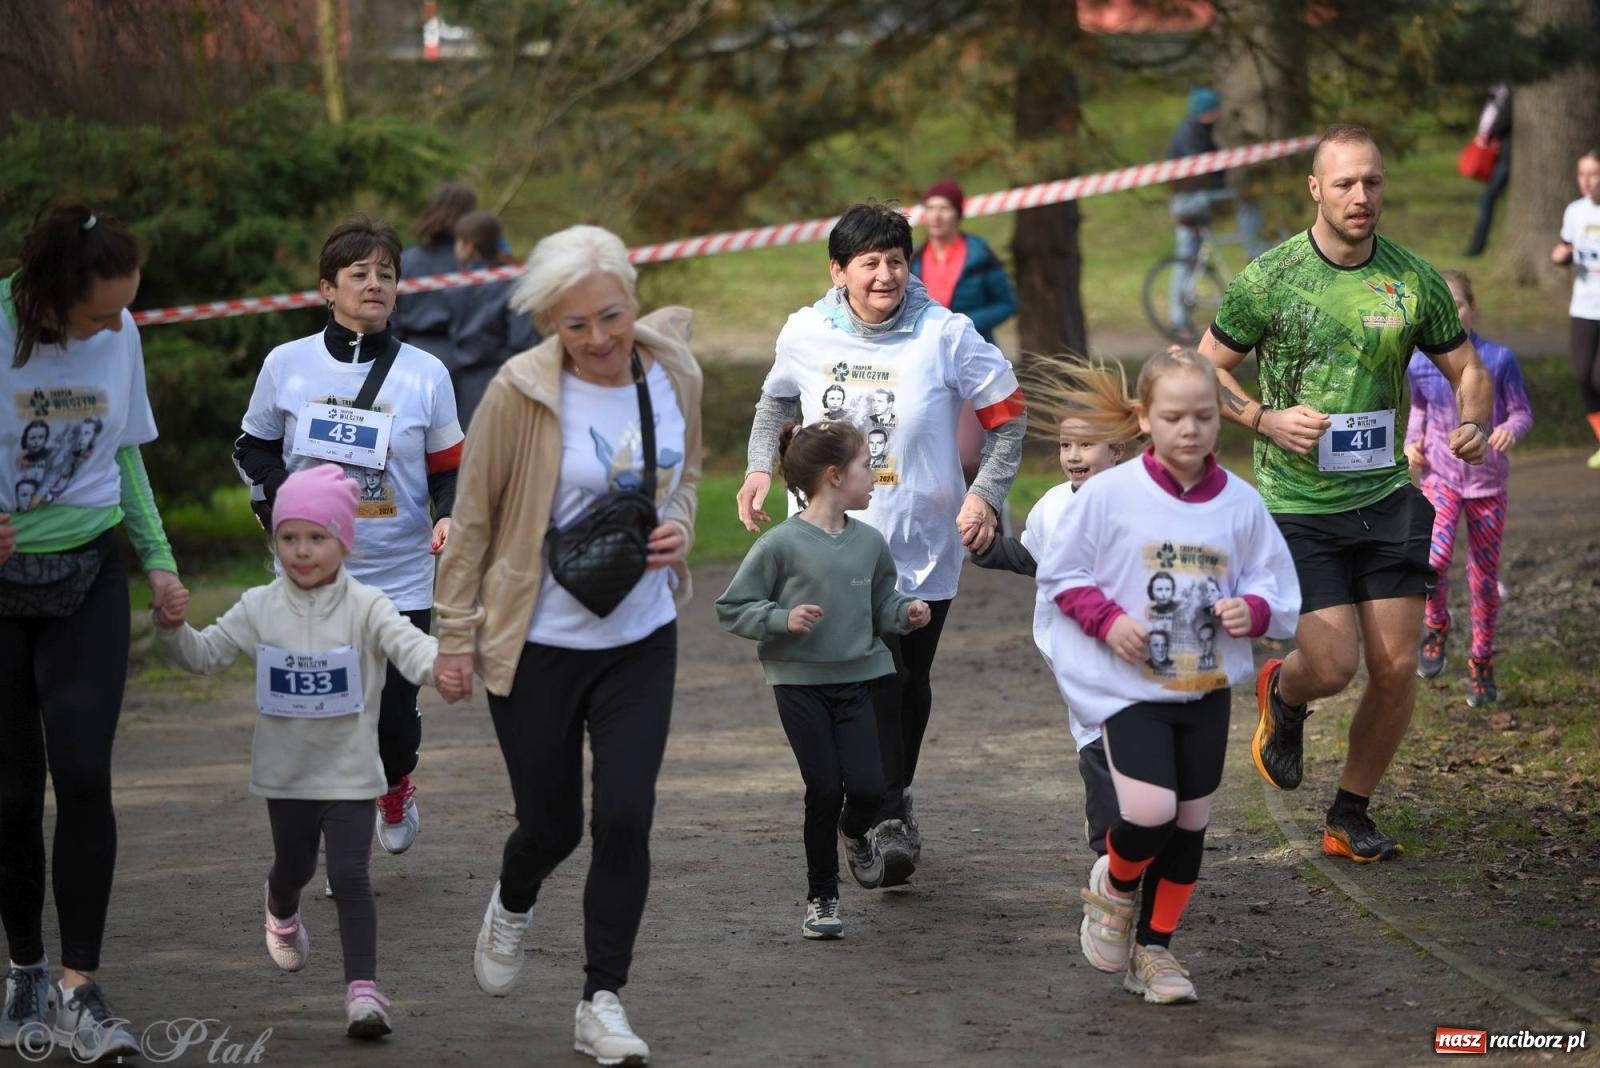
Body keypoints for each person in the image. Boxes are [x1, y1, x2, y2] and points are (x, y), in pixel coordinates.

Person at [433, 224, 702, 1067]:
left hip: (639, 636)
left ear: (633, 296)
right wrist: (453, 638)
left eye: (611, 316)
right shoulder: (518, 391)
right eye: (574, 324)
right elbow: (473, 521)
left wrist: (681, 525)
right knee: (551, 827)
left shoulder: (674, 371)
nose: (597, 338)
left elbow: (688, 475)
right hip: (537, 641)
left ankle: (601, 1000)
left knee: (625, 816)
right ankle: (513, 899)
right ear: (550, 321)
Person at [1197, 123, 1493, 862]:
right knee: (1332, 666)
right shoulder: (1270, 278)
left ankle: (1348, 814)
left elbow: (1468, 367)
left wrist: (1473, 419)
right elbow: (1202, 367)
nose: (1361, 196)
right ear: (1316, 190)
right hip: (1296, 503)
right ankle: (1284, 692)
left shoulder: (1413, 278)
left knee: (1395, 668)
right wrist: (1264, 418)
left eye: (1372, 182)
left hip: (1387, 495)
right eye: (1345, 183)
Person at [736, 202, 1027, 886]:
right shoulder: (806, 332)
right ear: (838, 271)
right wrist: (758, 466)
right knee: (870, 680)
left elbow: (1008, 418)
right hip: (829, 545)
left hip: (922, 545)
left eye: (896, 261)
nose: (885, 275)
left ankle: (886, 801)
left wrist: (985, 494)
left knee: (907, 683)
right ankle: (879, 815)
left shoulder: (946, 335)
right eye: (868, 263)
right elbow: (776, 402)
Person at [1036, 350, 1299, 1004]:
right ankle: (1117, 884)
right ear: (1144, 420)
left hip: (1202, 686)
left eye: (1204, 416)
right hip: (1130, 686)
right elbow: (1063, 573)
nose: (1190, 429)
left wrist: (1251, 609)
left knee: (1189, 823)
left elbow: (1274, 585)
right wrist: (1107, 621)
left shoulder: (1240, 503)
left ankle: (1154, 951)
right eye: (1174, 416)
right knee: (1150, 813)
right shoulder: (1109, 495)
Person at [155, 464, 443, 1039]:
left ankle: (363, 993)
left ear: (345, 542)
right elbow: (205, 654)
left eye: (317, 537)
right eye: (289, 537)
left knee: (349, 874)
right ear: (274, 540)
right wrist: (172, 629)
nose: (303, 551)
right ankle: (280, 905)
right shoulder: (260, 606)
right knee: (296, 867)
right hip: (286, 777)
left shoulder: (368, 606)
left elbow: (412, 650)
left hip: (352, 772)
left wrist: (447, 666)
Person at [0, 201, 189, 1060]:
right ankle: (26, 970)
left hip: (87, 572)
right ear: (49, 294)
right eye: (101, 313)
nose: (117, 326)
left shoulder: (121, 332)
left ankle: (81, 985)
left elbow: (124, 451)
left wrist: (159, 559)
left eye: (126, 310)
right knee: (11, 791)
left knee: (82, 773)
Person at [233, 216, 464, 859]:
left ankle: (396, 782)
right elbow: (252, 447)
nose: (374, 284)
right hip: (313, 576)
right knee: (327, 719)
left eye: (386, 274)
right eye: (359, 273)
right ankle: (345, 846)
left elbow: (449, 468)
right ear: (327, 289)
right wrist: (287, 500)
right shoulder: (287, 364)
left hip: (401, 575)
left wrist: (448, 514)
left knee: (392, 725)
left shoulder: (426, 374)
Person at [717, 420, 930, 940]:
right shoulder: (779, 545)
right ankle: (822, 898)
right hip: (799, 683)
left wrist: (906, 612)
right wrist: (780, 619)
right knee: (823, 788)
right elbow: (733, 607)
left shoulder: (870, 543)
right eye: (866, 466)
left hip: (860, 678)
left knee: (868, 789)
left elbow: (882, 602)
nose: (874, 475)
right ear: (835, 476)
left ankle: (854, 834)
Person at [969, 356, 1133, 861]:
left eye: (1087, 444)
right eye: (1066, 445)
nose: (1073, 455)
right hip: (1077, 656)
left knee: (1139, 756)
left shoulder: (1141, 502)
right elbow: (1032, 558)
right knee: (1096, 751)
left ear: (1118, 449)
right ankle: (1109, 858)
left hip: (1137, 656)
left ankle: (1142, 842)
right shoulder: (1053, 506)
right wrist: (985, 548)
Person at [1404, 270, 1533, 711]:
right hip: (1439, 479)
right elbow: (1419, 408)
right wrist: (1412, 443)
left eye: (1457, 304)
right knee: (1433, 559)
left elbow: (1521, 412)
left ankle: (1481, 660)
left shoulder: (1499, 359)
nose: (1451, 314)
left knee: (1483, 577)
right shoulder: (1420, 362)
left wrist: (1511, 429)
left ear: (1472, 308)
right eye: (1442, 307)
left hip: (1487, 485)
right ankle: (1437, 624)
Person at [910, 180, 1019, 487]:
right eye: (930, 208)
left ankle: (989, 505)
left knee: (968, 457)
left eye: (944, 208)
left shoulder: (979, 256)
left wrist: (966, 323)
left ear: (958, 213)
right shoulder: (913, 260)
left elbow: (1008, 303)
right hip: (927, 361)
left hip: (971, 357)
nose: (936, 216)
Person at [1165, 86, 1268, 340]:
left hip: (1192, 199)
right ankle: (1255, 248)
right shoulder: (1192, 135)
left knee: (1188, 258)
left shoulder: (1197, 132)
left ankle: (1178, 319)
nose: (1219, 114)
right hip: (1191, 200)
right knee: (1245, 201)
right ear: (1208, 111)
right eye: (1215, 109)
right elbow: (1205, 172)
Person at [446, 210, 540, 430]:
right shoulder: (512, 283)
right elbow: (522, 339)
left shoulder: (452, 287)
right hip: (503, 377)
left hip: (460, 381)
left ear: (468, 246)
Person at [390, 182, 478, 363]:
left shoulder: (406, 260)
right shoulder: (473, 265)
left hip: (408, 353)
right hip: (461, 358)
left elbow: (390, 315)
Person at [1552, 149, 1600, 470]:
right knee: (1583, 375)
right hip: (1583, 305)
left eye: (1593, 174)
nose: (1587, 181)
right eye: (1582, 174)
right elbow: (1565, 246)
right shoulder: (1574, 211)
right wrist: (1560, 255)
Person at [1465, 83, 1512, 258]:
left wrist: (1489, 134)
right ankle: (1477, 246)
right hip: (1500, 155)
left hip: (1507, 157)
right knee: (1487, 199)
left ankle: (1477, 246)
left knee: (1487, 199)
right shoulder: (1496, 92)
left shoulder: (1510, 92)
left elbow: (1504, 119)